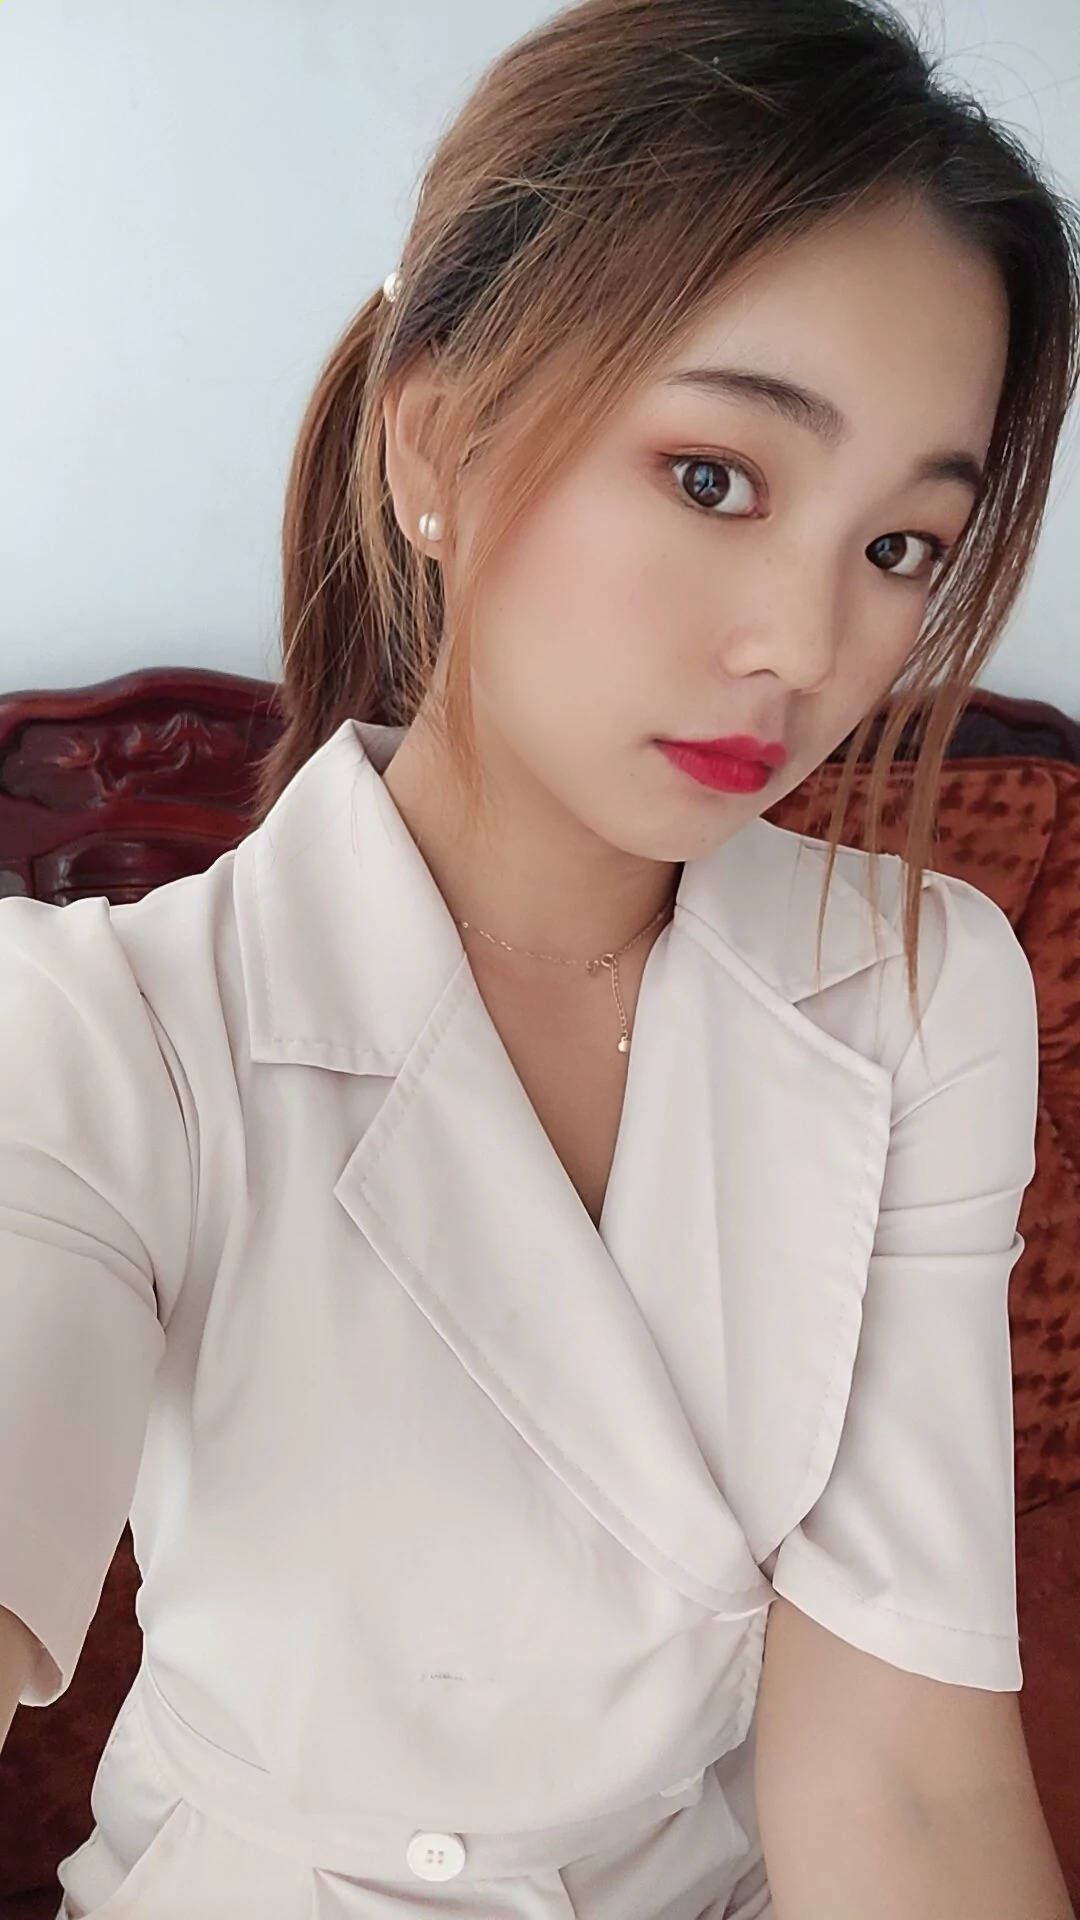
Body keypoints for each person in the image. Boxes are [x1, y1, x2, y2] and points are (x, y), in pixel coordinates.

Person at [1, 1, 1078, 1915]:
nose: (805, 646)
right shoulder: (105, 1030)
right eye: (717, 478)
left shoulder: (918, 990)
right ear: (440, 435)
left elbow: (901, 1771)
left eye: (904, 546)